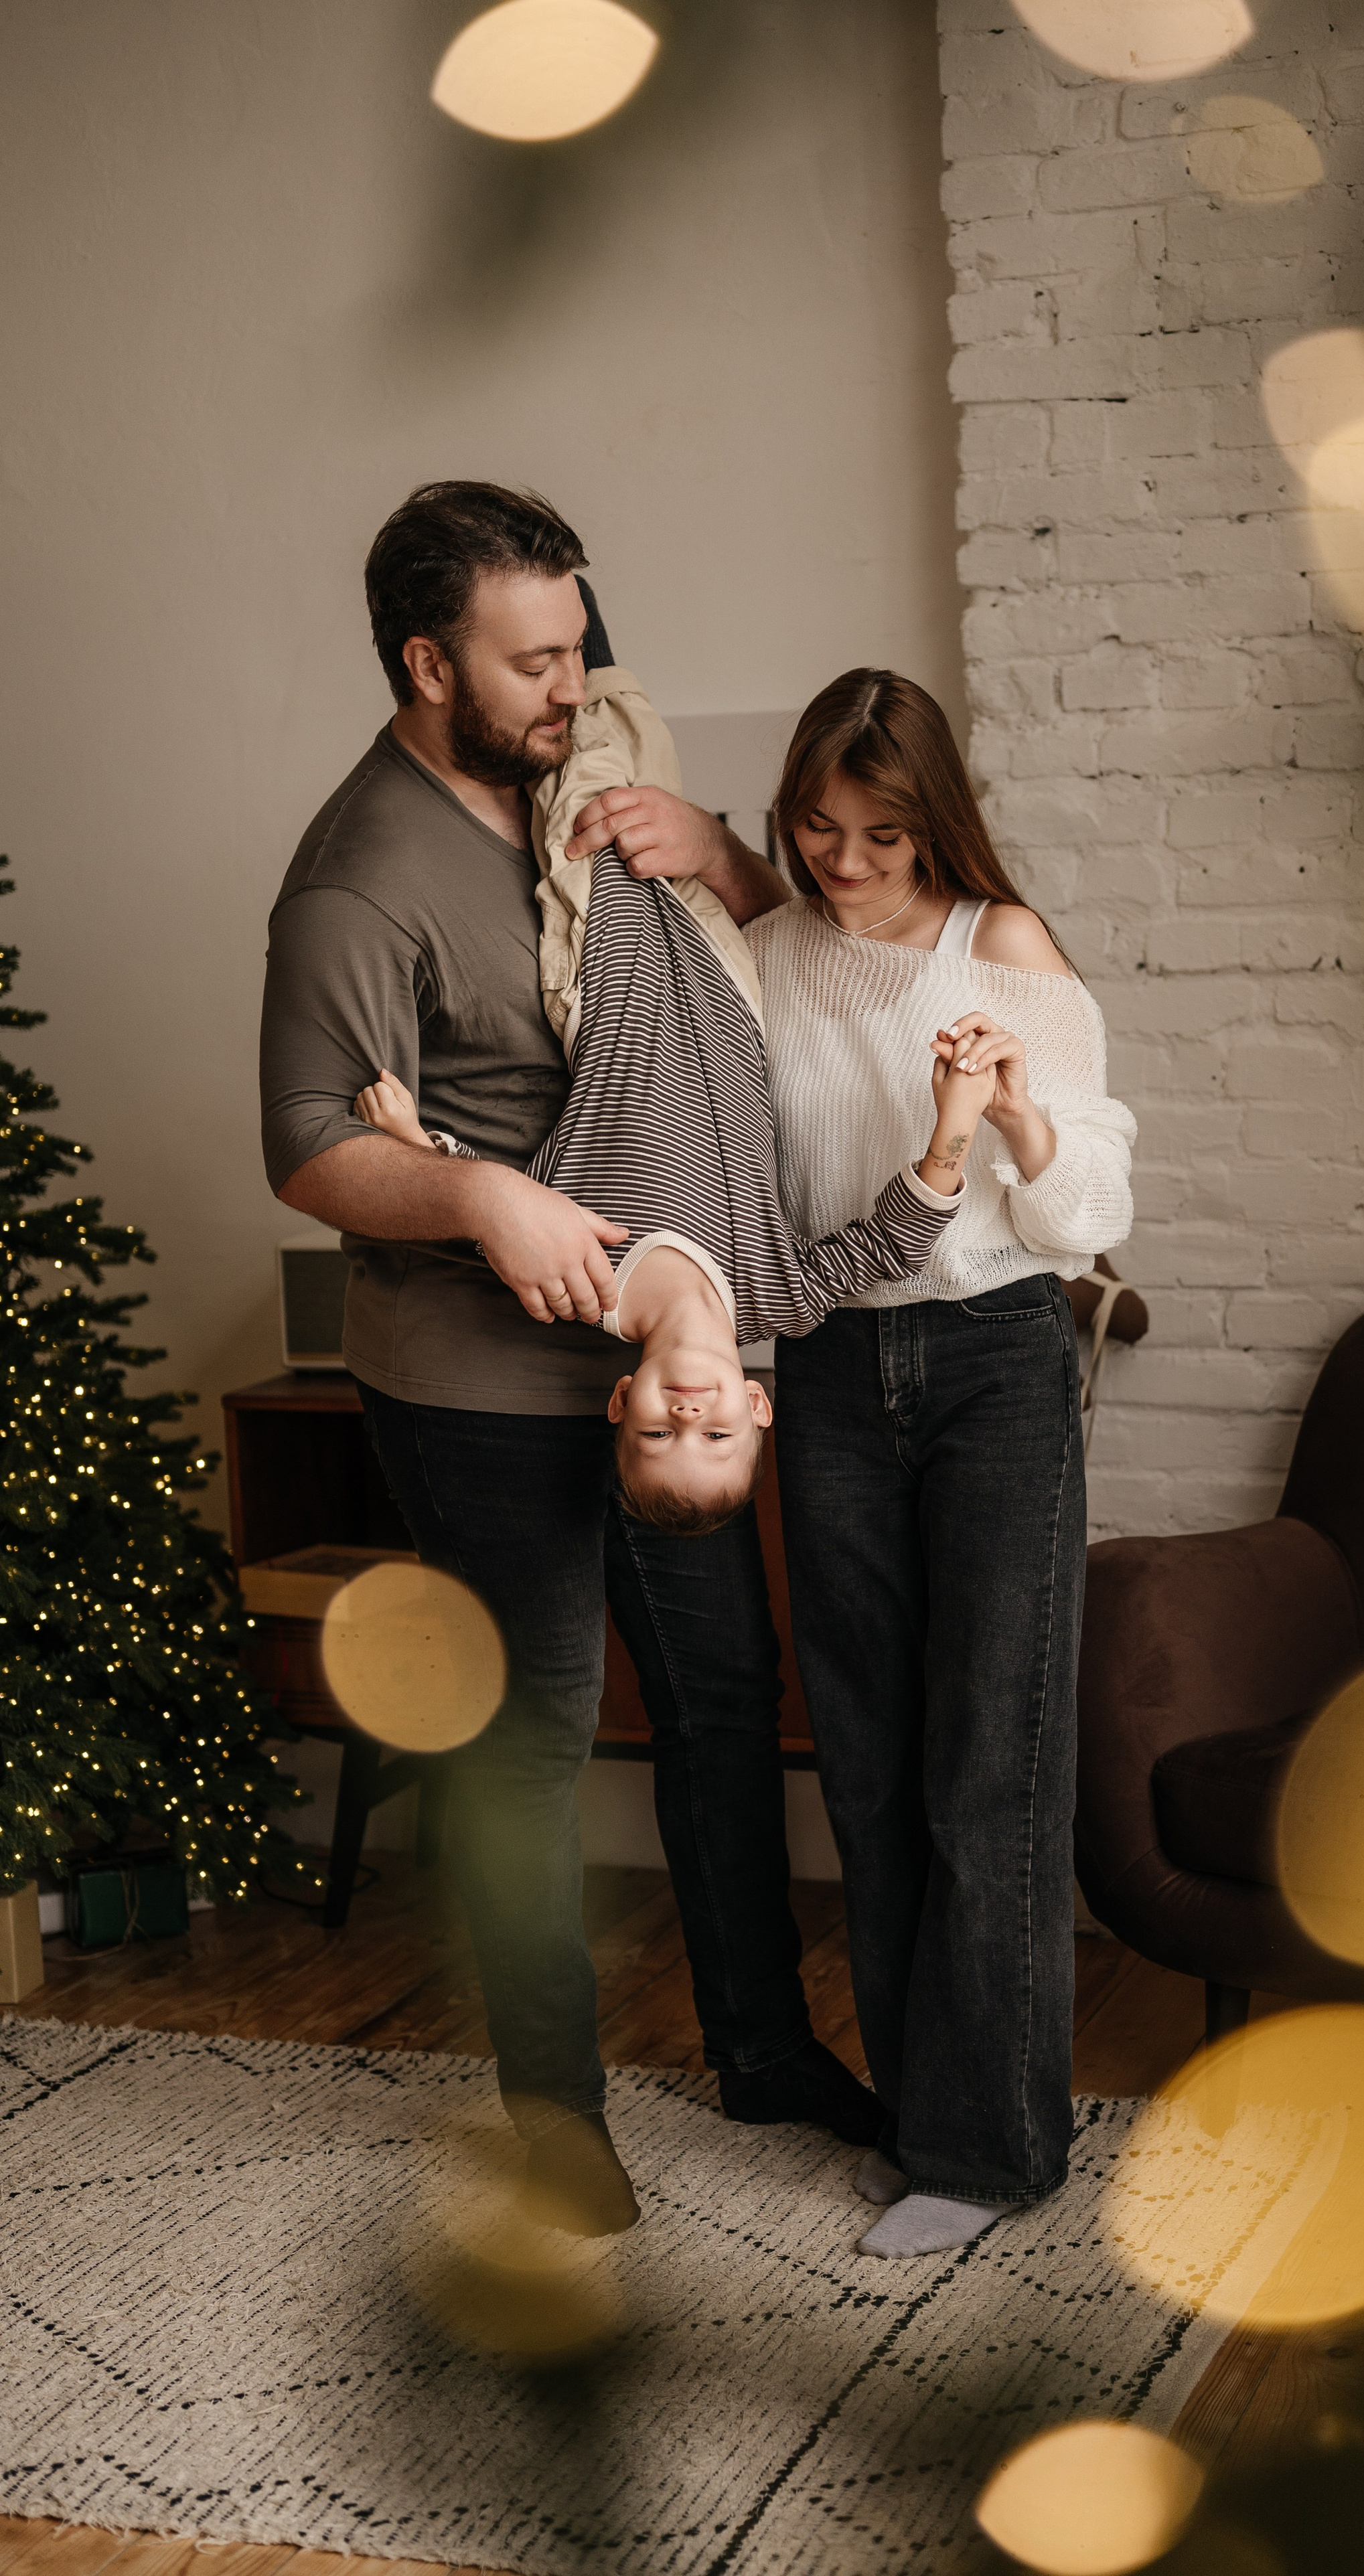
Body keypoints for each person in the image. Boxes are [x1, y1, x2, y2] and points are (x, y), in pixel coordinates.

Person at [258, 481, 877, 2239]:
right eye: (535, 658)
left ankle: (764, 2049)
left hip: (665, 1357)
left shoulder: (582, 779)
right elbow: (304, 1141)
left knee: (722, 1700)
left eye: (580, 639)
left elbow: (721, 991)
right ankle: (554, 2112)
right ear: (426, 661)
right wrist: (475, 1197)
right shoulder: (359, 877)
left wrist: (718, 853)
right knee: (533, 1740)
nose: (574, 678)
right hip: (478, 1386)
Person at [741, 669, 1136, 2259]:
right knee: (868, 1758)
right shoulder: (760, 962)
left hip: (994, 1359)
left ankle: (988, 2153)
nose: (846, 862)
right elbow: (757, 1190)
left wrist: (1024, 1115)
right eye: (818, 830)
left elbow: (1089, 1210)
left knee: (993, 1759)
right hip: (830, 1365)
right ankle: (928, 2125)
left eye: (882, 834)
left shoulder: (1006, 947)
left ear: (933, 822)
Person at [350, 834, 990, 1530]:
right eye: (716, 1436)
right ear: (756, 1406)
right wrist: (958, 1118)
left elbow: (495, 1210)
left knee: (586, 766)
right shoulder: (782, 1296)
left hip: (605, 937)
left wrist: (420, 1145)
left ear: (622, 1400)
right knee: (637, 771)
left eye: (658, 1435)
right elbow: (892, 1245)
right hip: (718, 959)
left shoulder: (581, 1281)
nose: (688, 1416)